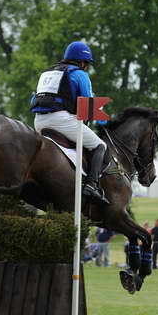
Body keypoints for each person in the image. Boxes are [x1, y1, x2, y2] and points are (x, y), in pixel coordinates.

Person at [29, 41, 108, 203]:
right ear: (82, 62)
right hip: (61, 120)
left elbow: (34, 98)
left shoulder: (47, 72)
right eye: (86, 64)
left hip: (39, 121)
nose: (86, 67)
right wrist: (102, 123)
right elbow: (88, 103)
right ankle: (92, 184)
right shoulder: (80, 74)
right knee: (100, 145)